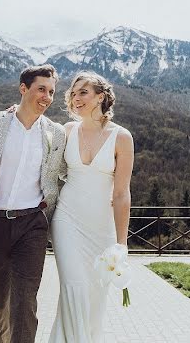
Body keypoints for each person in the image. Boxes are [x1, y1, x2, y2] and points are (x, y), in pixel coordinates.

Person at [0, 64, 68, 343]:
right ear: (23, 89)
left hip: (32, 223)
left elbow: (71, 171)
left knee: (24, 301)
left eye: (52, 91)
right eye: (41, 89)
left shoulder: (57, 134)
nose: (47, 97)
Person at [48, 71, 135, 343]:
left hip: (101, 228)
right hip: (67, 221)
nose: (76, 98)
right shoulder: (67, 130)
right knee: (73, 287)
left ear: (101, 96)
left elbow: (121, 194)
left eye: (83, 92)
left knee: (96, 297)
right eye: (73, 94)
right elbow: (39, 138)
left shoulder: (122, 137)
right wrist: (15, 113)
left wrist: (121, 243)